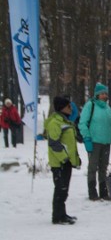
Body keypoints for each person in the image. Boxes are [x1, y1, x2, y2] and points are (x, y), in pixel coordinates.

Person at [79, 82, 111, 201]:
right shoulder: (90, 105)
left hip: (106, 142)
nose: (104, 95)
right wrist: (87, 138)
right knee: (93, 167)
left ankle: (103, 192)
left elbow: (109, 126)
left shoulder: (107, 108)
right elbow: (82, 123)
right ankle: (92, 192)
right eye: (102, 93)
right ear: (96, 94)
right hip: (94, 141)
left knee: (103, 168)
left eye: (105, 93)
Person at [45, 96, 80, 224]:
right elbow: (54, 143)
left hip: (66, 162)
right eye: (68, 106)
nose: (71, 108)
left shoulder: (66, 122)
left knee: (64, 189)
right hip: (60, 163)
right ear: (61, 108)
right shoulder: (55, 123)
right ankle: (57, 216)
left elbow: (70, 144)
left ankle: (62, 214)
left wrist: (75, 159)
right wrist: (64, 158)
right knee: (60, 189)